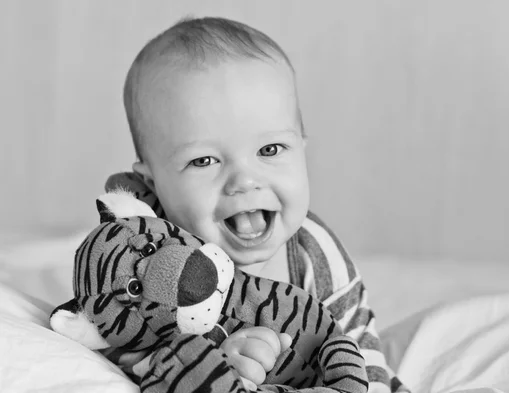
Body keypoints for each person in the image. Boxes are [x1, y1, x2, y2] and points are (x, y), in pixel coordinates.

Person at [105, 16, 408, 393]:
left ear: (301, 149)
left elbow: (360, 344)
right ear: (154, 183)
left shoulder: (315, 252)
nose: (245, 181)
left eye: (270, 150)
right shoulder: (150, 259)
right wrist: (214, 360)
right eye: (204, 161)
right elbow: (121, 340)